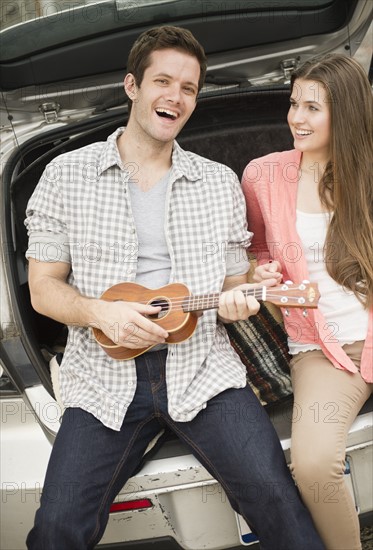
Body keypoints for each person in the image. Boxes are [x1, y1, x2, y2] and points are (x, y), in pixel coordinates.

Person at [24, 26, 324, 549]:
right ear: (131, 86)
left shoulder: (217, 183)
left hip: (204, 370)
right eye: (162, 80)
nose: (176, 96)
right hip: (101, 380)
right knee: (55, 529)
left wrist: (245, 295)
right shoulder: (64, 176)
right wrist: (102, 314)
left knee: (278, 502)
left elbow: (233, 284)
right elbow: (43, 291)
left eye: (188, 87)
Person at [242, 53, 373, 550]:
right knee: (314, 466)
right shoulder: (263, 175)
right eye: (294, 103)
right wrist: (261, 272)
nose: (296, 117)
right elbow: (253, 249)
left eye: (313, 108)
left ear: (347, 111)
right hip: (323, 351)